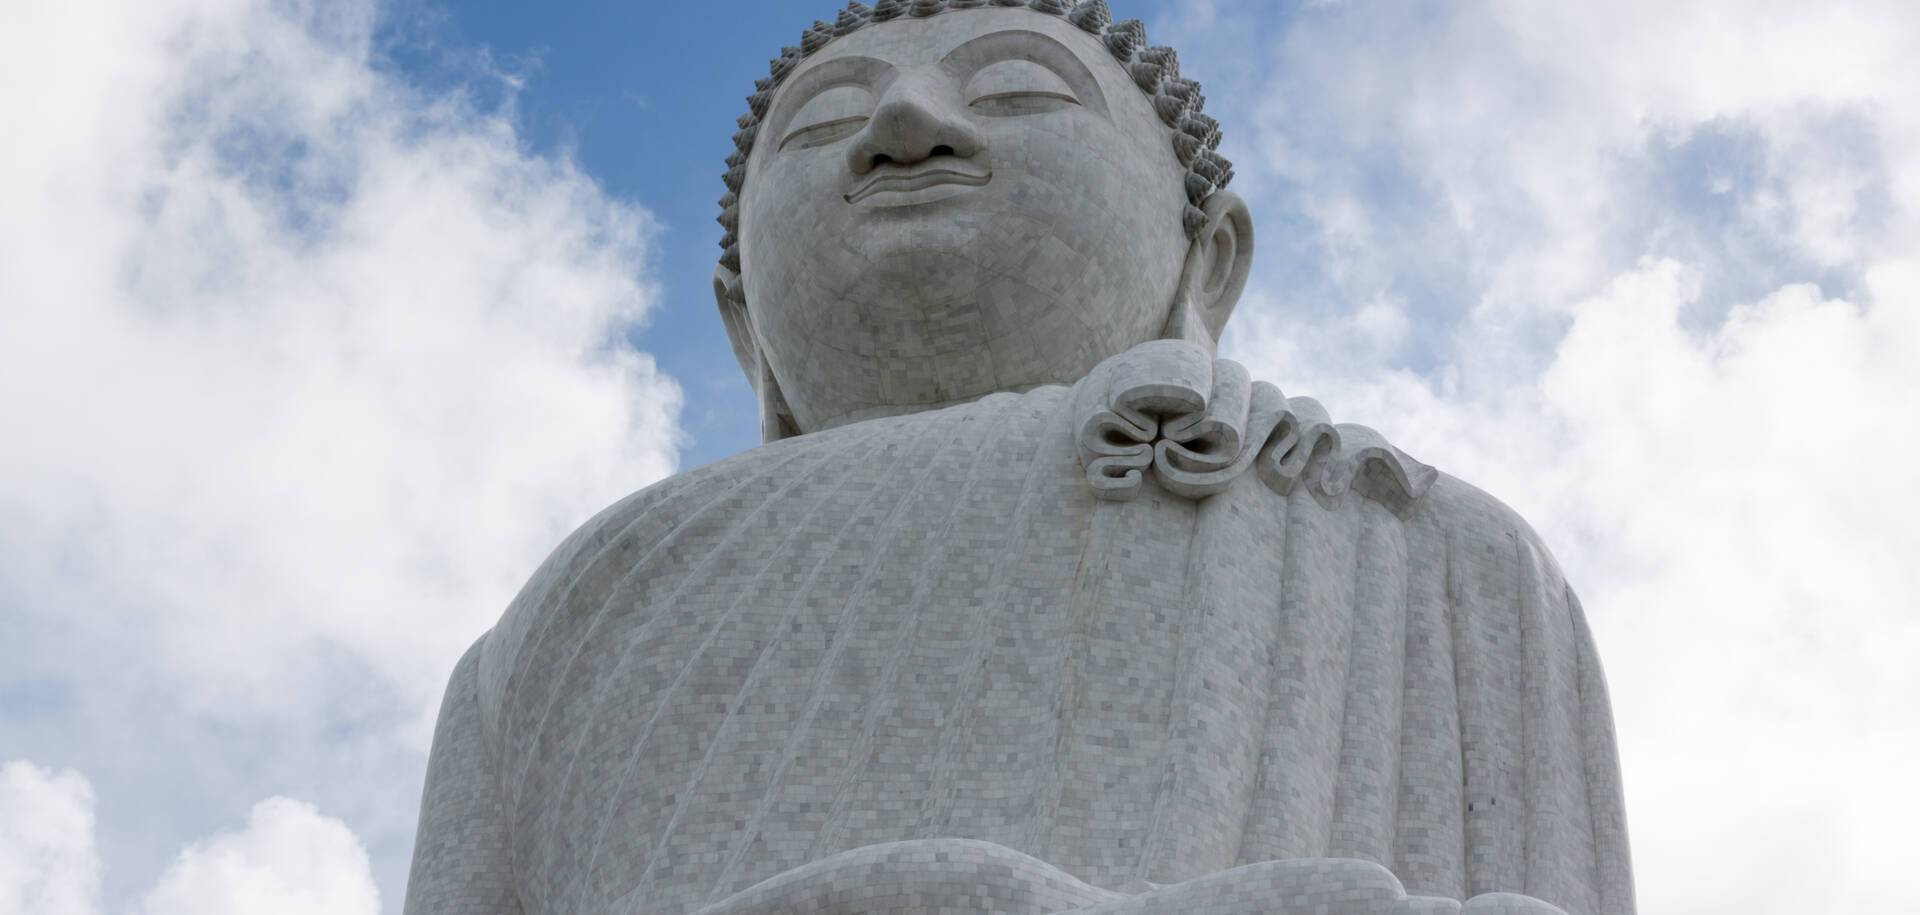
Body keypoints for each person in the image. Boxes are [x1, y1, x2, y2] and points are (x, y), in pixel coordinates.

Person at [404, 4, 1634, 914]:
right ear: (742, 326)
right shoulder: (562, 620)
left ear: (1206, 262)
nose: (903, 123)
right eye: (824, 123)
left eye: (1018, 93)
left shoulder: (1409, 537)